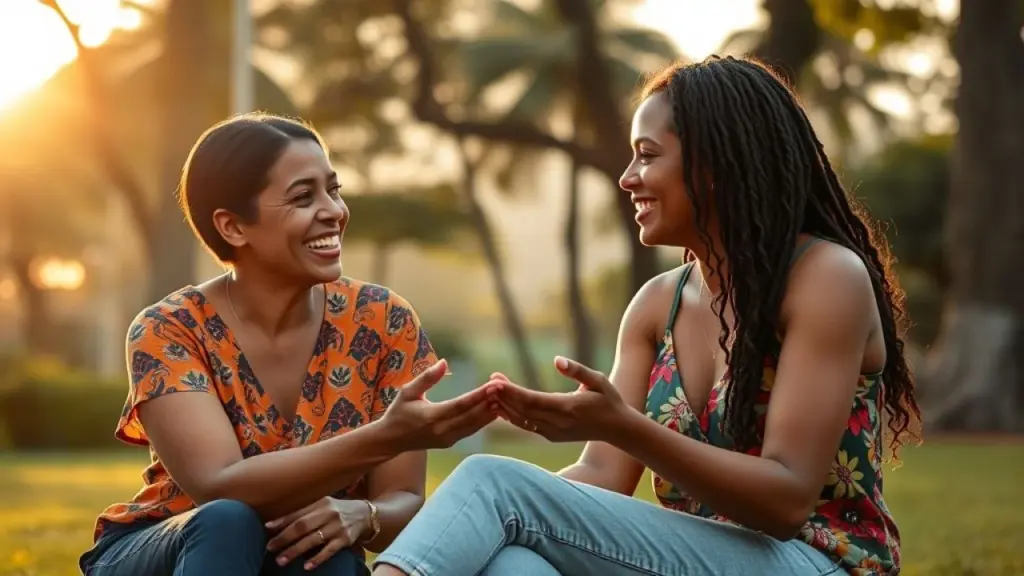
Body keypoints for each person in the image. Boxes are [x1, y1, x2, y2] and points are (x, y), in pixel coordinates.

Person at [370, 56, 920, 576]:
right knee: (514, 562)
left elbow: (785, 500)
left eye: (648, 155)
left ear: (715, 163)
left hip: (815, 560)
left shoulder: (825, 278)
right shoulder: (659, 303)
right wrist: (495, 517)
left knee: (492, 480)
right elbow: (603, 475)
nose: (627, 177)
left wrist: (620, 428)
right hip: (696, 560)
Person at [78, 113, 499, 576]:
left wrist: (366, 515)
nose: (334, 211)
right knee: (228, 520)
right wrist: (387, 435)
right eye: (303, 197)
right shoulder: (170, 329)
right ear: (234, 227)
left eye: (333, 190)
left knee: (330, 557)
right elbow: (218, 488)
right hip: (168, 545)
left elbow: (401, 499)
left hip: (295, 552)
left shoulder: (382, 321)